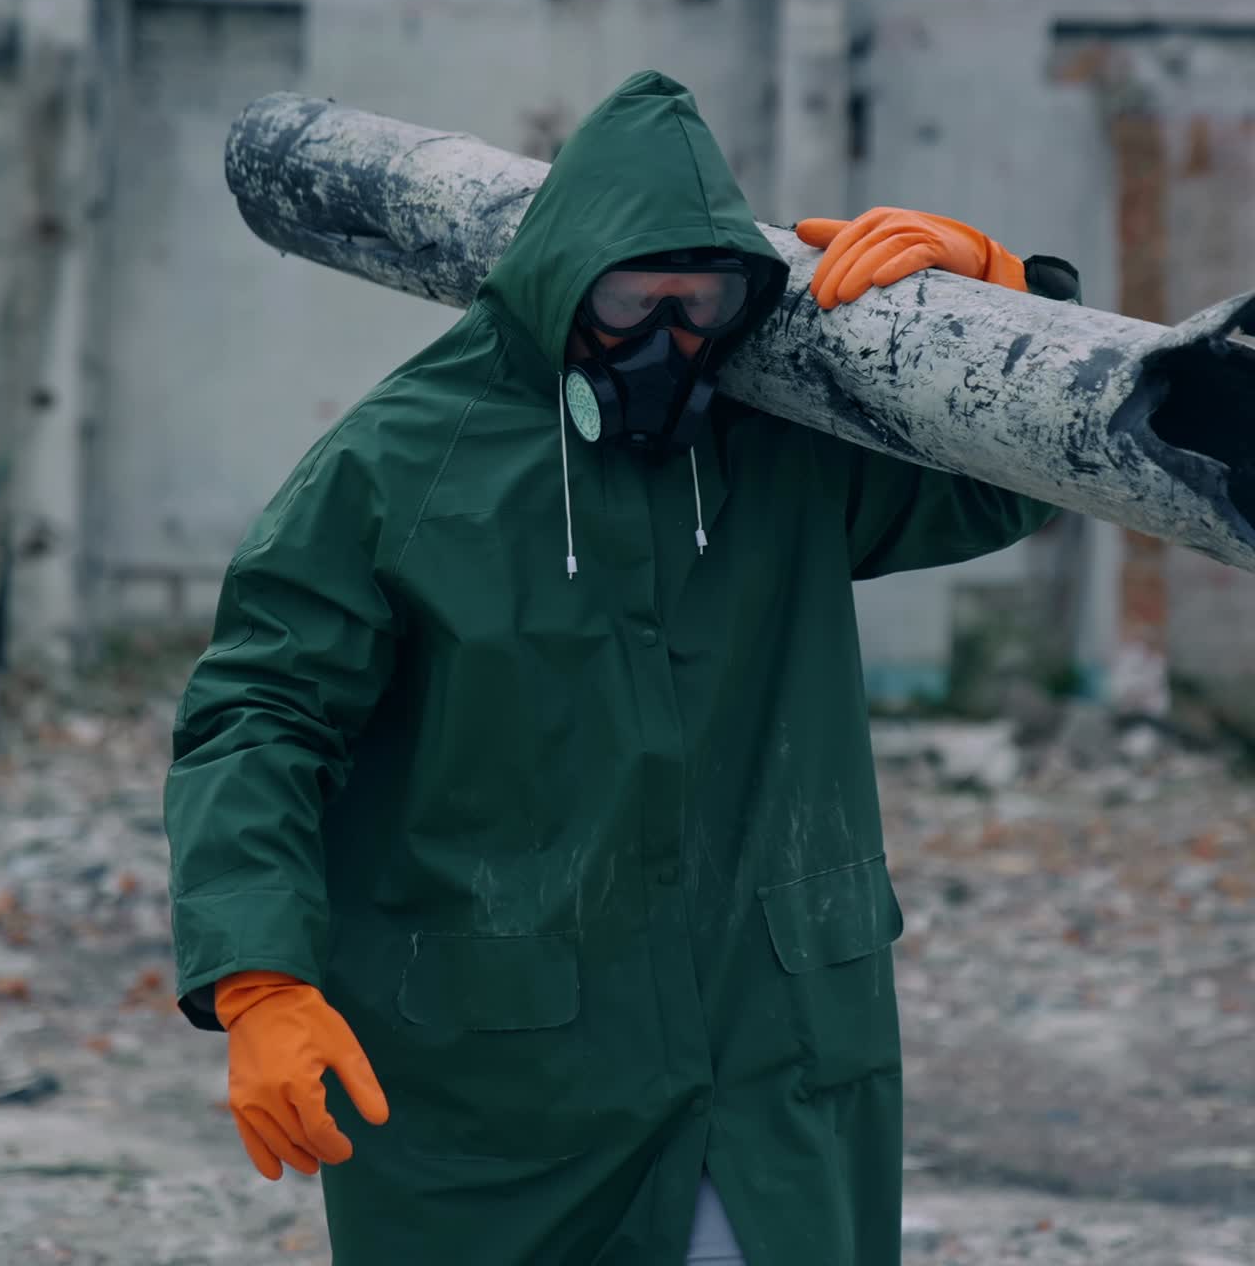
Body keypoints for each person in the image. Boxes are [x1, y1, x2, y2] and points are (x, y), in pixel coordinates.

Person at [164, 70, 1079, 1266]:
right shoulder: (397, 467)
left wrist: (1001, 296)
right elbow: (258, 716)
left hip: (766, 1076)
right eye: (632, 298)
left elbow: (1013, 476)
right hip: (509, 1099)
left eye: (700, 301)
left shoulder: (783, 450)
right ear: (559, 279)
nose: (668, 336)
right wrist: (259, 979)